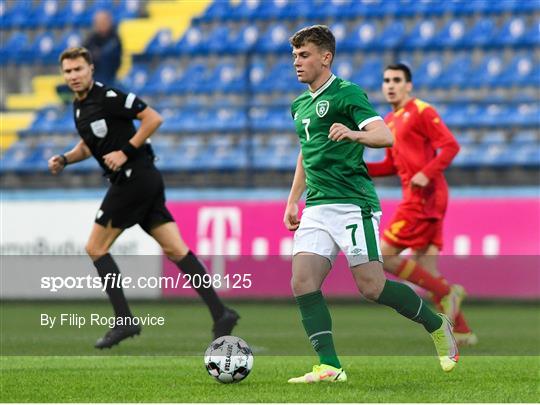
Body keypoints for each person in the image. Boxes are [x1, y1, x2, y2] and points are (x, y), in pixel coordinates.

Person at [283, 25, 459, 384]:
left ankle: (437, 324)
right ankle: (330, 366)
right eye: (294, 56)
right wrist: (292, 200)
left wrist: (353, 133)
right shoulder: (299, 104)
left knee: (371, 287)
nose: (297, 62)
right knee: (302, 281)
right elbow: (306, 152)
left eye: (304, 55)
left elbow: (385, 134)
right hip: (316, 206)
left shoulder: (348, 94)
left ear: (325, 57)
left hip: (352, 203)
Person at [48, 47, 239, 349]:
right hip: (144, 180)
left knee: (95, 247)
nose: (73, 76)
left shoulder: (108, 97)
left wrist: (125, 151)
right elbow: (89, 144)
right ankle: (221, 313)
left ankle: (124, 320)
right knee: (176, 250)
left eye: (78, 70)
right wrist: (65, 158)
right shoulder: (79, 106)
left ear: (91, 69)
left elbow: (152, 118)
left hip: (133, 178)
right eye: (68, 71)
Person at [366, 63, 477, 346]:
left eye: (396, 80)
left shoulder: (422, 110)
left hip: (425, 197)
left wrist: (426, 173)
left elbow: (451, 146)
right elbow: (390, 165)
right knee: (427, 268)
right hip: (417, 196)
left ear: (408, 85)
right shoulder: (389, 120)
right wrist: (360, 168)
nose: (390, 85)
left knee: (385, 255)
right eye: (386, 80)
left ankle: (448, 291)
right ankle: (463, 331)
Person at [83, 10, 122, 86]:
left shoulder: (114, 39)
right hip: (92, 75)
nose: (101, 25)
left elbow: (111, 58)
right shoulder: (91, 39)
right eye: (98, 22)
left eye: (103, 22)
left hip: (109, 77)